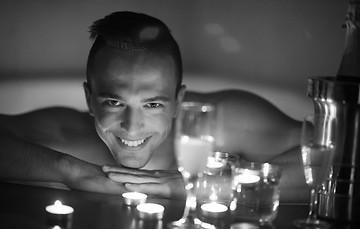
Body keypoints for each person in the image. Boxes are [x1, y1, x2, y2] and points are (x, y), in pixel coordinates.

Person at [0, 11, 308, 202]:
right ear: (89, 99)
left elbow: (337, 153)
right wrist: (72, 171)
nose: (132, 126)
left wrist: (219, 182)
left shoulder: (225, 121)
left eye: (152, 103)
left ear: (179, 101)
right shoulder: (65, 135)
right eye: (113, 101)